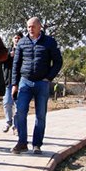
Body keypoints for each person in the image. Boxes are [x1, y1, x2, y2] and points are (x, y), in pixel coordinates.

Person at [12, 17, 62, 155]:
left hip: (42, 83)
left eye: (33, 26)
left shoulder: (49, 42)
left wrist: (49, 78)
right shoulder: (22, 43)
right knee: (20, 112)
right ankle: (22, 142)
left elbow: (58, 62)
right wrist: (14, 84)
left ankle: (37, 144)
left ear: (40, 27)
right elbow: (16, 64)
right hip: (25, 82)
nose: (30, 29)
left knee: (40, 115)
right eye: (28, 27)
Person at [2, 32, 22, 131]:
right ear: (12, 39)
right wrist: (9, 56)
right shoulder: (7, 51)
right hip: (9, 82)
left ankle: (16, 125)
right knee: (7, 102)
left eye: (19, 38)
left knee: (18, 105)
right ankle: (8, 121)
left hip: (20, 83)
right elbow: (1, 61)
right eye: (15, 38)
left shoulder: (23, 51)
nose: (17, 39)